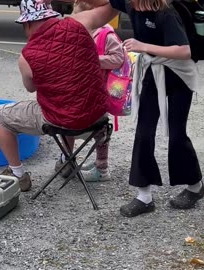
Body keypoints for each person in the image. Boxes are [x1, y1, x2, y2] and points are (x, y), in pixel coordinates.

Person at [68, 0, 204, 217]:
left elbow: (184, 50)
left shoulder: (166, 13)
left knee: (177, 134)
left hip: (178, 76)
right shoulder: (131, 4)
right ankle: (144, 196)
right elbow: (99, 0)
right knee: (144, 133)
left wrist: (142, 47)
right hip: (151, 73)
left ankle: (195, 187)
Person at [0, 0, 119, 192]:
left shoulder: (26, 57)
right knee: (68, 102)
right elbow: (117, 4)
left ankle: (18, 174)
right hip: (97, 119)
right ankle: (66, 161)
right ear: (50, 14)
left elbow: (30, 88)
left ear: (27, 23)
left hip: (62, 122)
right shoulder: (80, 22)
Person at [73, 0, 125, 182]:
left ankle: (102, 168)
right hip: (85, 89)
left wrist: (93, 58)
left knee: (101, 129)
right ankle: (95, 161)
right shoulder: (84, 31)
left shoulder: (106, 34)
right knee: (92, 128)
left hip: (100, 90)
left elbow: (119, 58)